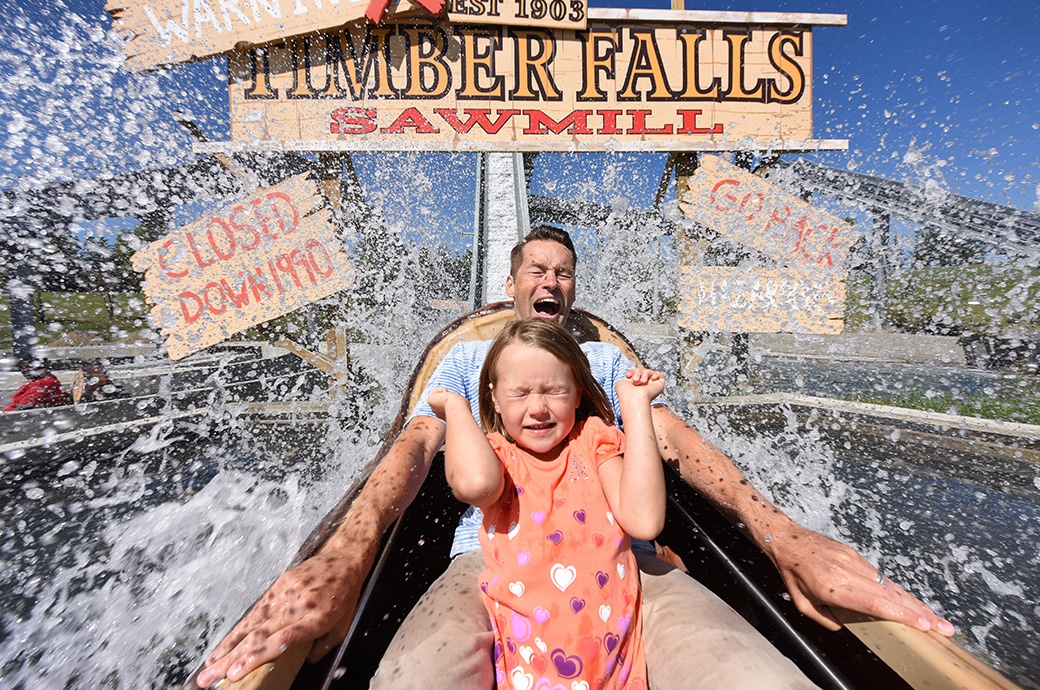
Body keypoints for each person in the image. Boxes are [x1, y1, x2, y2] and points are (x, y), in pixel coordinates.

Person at [196, 225, 954, 689]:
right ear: (513, 284)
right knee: (411, 677)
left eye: (563, 272)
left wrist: (780, 532)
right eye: (537, 270)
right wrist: (348, 554)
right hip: (489, 561)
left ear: (572, 289)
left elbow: (672, 439)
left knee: (755, 676)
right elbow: (417, 447)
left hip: (624, 559)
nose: (550, 281)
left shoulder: (602, 363)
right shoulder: (467, 362)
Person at [427, 318, 666, 689]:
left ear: (577, 393)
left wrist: (635, 408)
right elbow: (475, 485)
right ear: (494, 398)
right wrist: (456, 408)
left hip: (615, 666)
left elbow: (645, 521)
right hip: (531, 666)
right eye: (520, 394)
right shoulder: (497, 456)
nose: (537, 408)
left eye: (554, 391)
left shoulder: (593, 441)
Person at [5, 358, 69, 412]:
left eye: (29, 367)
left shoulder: (44, 383)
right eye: (22, 367)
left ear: (40, 368)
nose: (24, 370)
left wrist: (5, 415)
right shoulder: (36, 381)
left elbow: (27, 405)